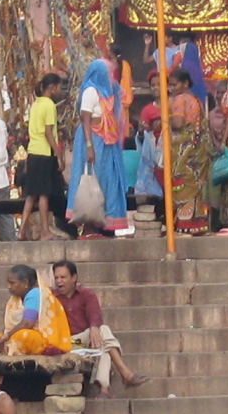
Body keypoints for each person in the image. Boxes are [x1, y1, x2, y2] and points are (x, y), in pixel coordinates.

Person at [52, 262, 145, 391]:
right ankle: (125, 373)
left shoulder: (86, 294)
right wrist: (96, 329)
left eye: (63, 277)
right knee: (103, 331)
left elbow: (95, 315)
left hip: (87, 341)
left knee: (103, 342)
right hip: (66, 343)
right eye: (56, 278)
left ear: (74, 278)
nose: (59, 281)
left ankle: (104, 388)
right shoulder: (51, 297)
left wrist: (94, 328)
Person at [19, 72, 69, 240]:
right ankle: (45, 231)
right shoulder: (49, 105)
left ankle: (21, 231)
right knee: (43, 194)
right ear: (52, 87)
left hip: (33, 152)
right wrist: (58, 154)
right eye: (59, 87)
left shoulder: (36, 104)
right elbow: (49, 133)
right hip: (44, 153)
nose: (60, 91)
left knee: (31, 195)